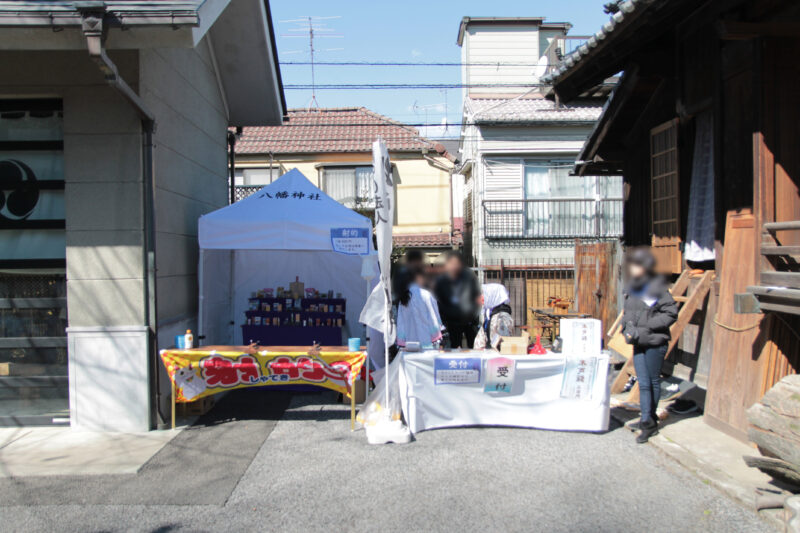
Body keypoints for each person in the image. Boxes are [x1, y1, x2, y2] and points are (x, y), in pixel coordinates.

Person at [622, 247, 678, 443]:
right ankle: (649, 419)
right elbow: (628, 314)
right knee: (643, 382)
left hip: (654, 341)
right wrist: (626, 329)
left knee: (650, 382)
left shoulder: (657, 287)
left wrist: (646, 328)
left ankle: (648, 423)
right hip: (638, 341)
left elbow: (670, 313)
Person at [434, 251, 481, 348]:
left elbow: (477, 295)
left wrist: (474, 314)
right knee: (455, 347)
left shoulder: (469, 276)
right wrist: (445, 318)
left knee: (473, 346)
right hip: (452, 321)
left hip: (470, 320)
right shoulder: (442, 279)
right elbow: (439, 300)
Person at [395, 265, 443, 349]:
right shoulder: (427, 295)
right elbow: (433, 317)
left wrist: (401, 341)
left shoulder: (403, 297)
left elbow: (400, 322)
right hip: (427, 341)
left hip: (410, 342)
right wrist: (436, 334)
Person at [474, 283, 515, 350]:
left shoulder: (503, 318)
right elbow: (481, 338)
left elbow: (502, 344)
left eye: (484, 295)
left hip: (496, 358)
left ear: (493, 296)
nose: (481, 298)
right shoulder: (490, 314)